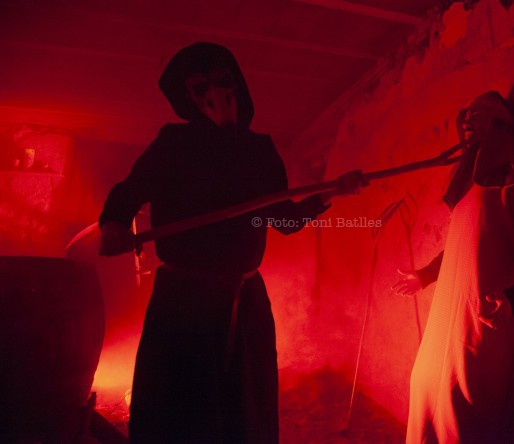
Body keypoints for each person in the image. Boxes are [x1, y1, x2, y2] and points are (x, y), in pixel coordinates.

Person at [99, 42, 365, 443]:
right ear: (187, 97)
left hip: (245, 302)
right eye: (200, 88)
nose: (215, 96)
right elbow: (128, 193)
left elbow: (284, 220)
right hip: (182, 302)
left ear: (237, 84)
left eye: (222, 82)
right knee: (181, 409)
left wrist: (331, 193)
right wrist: (114, 223)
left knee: (244, 409)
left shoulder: (259, 151)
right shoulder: (174, 144)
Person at [393, 91, 514, 443]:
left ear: (501, 124)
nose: (468, 122)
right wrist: (426, 275)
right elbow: (462, 242)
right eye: (467, 116)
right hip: (448, 315)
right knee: (423, 385)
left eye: (479, 115)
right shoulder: (469, 182)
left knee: (463, 410)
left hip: (488, 312)